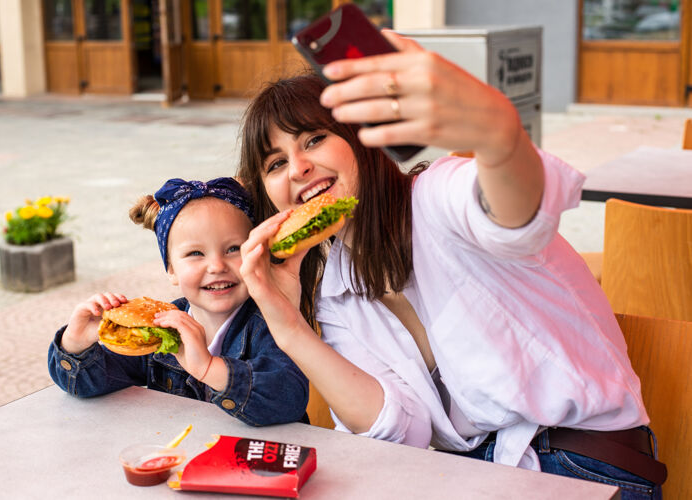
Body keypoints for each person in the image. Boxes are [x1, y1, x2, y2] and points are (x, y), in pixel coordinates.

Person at [235, 31, 664, 498]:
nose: (297, 168)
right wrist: (290, 327)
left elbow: (520, 212)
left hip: (584, 466)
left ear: (364, 138)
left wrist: (493, 132)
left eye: (315, 139)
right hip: (477, 478)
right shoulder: (337, 291)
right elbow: (400, 431)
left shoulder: (438, 196)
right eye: (275, 163)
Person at [48, 177, 309, 426]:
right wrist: (76, 344)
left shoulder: (271, 322)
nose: (217, 266)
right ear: (171, 269)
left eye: (233, 249)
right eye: (195, 253)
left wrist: (209, 369)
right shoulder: (157, 328)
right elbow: (89, 385)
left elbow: (289, 400)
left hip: (255, 465)